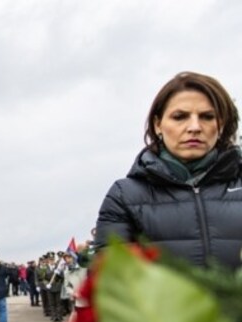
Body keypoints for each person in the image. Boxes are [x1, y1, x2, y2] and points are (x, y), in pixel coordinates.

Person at [96, 72, 242, 269]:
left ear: (221, 125)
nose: (194, 127)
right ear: (158, 125)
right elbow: (113, 283)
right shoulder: (124, 197)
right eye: (180, 117)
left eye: (207, 117)